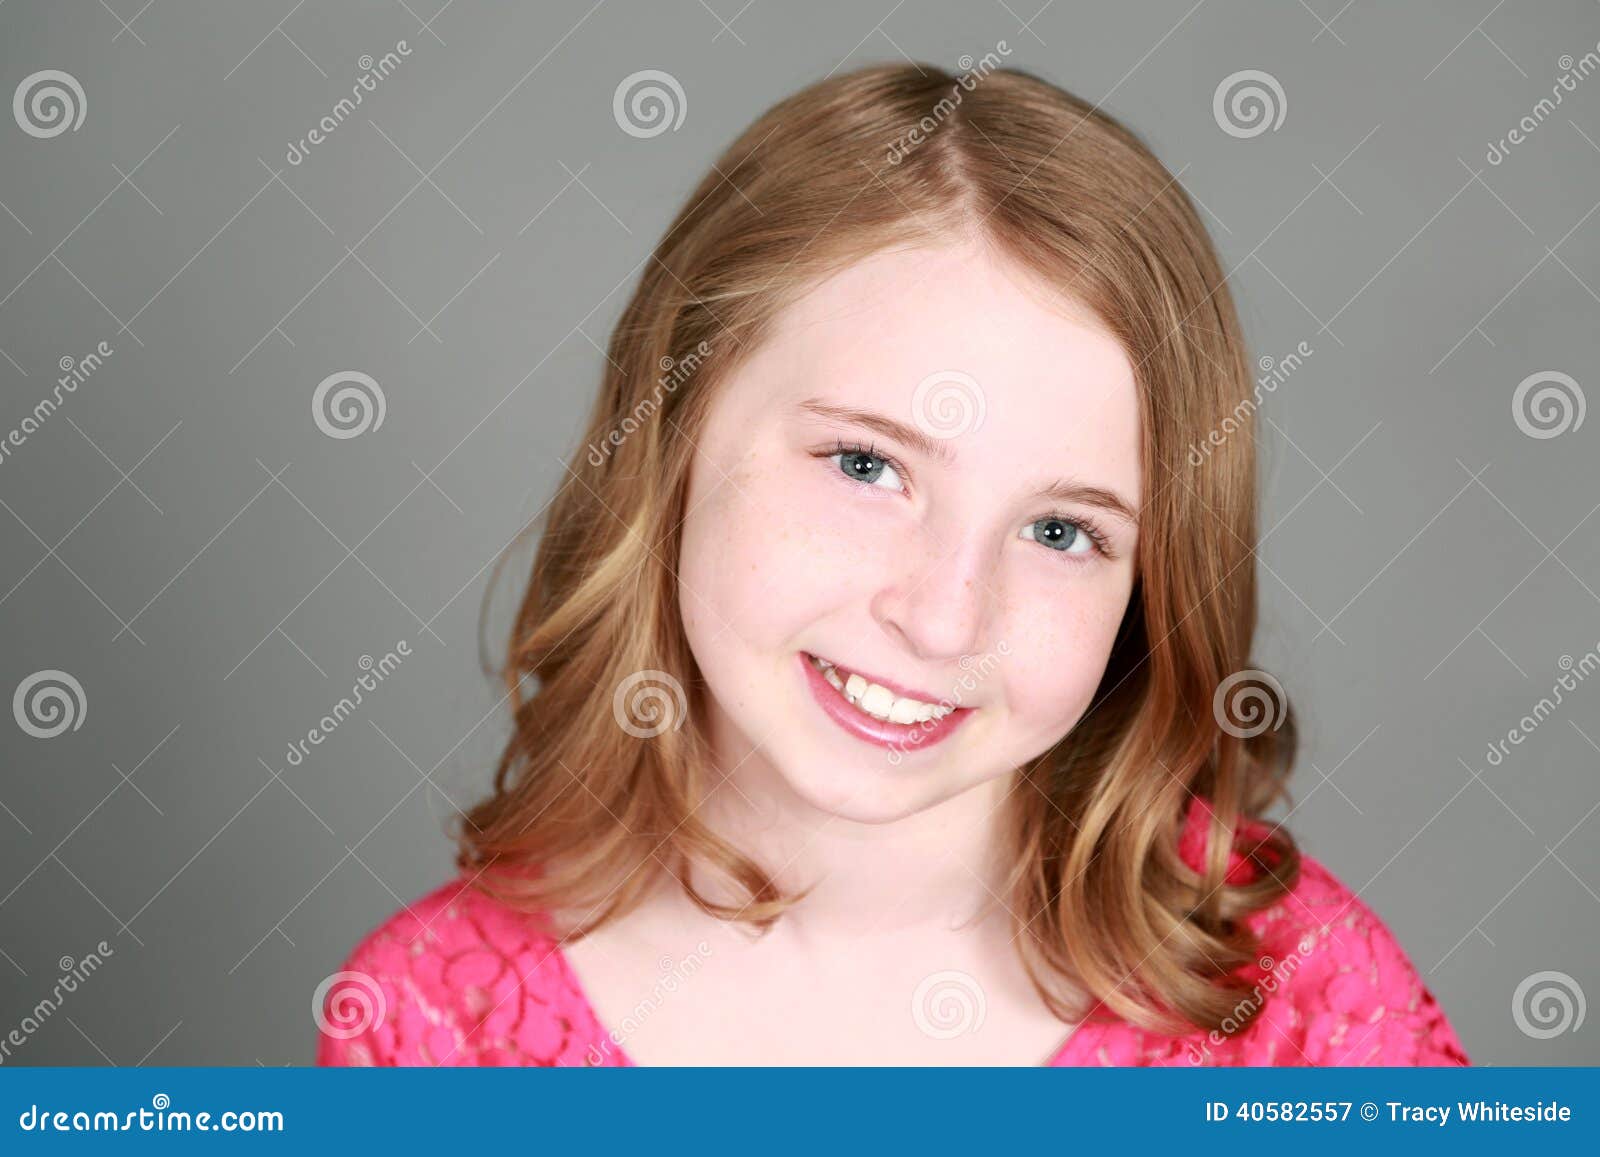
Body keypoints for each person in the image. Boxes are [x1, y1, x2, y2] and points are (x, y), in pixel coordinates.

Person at [316, 62, 1468, 1067]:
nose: (942, 616)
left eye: (1061, 531)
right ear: (670, 431)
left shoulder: (1303, 1006)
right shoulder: (428, 1021)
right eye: (866, 465)